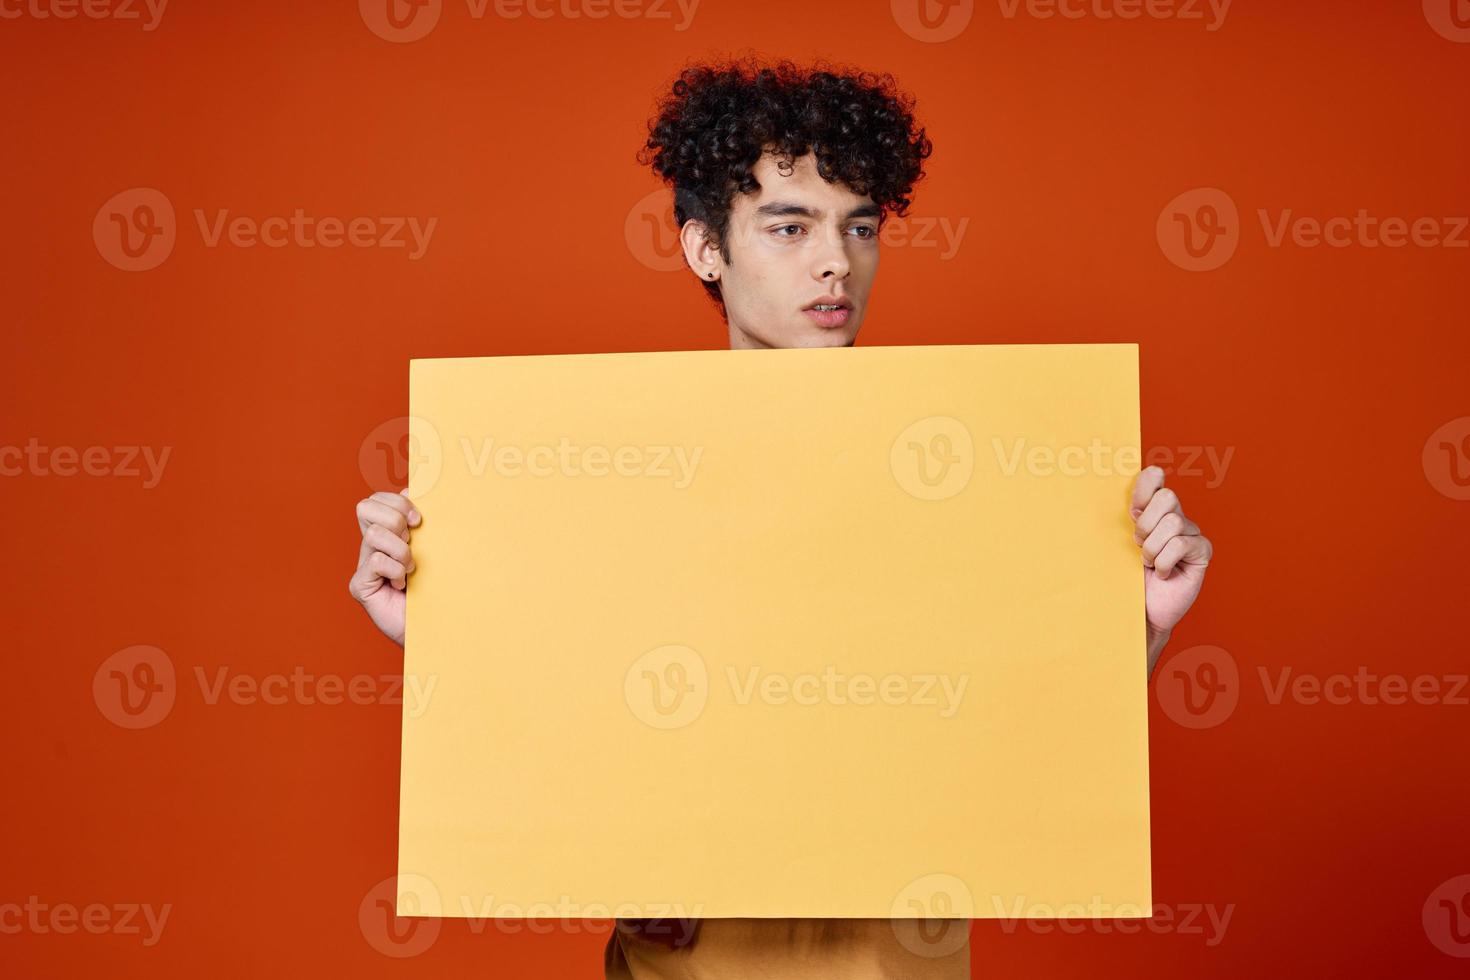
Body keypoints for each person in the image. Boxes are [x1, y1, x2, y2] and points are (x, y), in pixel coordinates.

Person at [348, 57, 1214, 980]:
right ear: (704, 249)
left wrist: (1142, 625)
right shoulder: (613, 476)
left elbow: (1013, 725)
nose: (835, 259)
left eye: (860, 227)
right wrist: (441, 625)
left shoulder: (957, 473)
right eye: (789, 227)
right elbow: (572, 719)